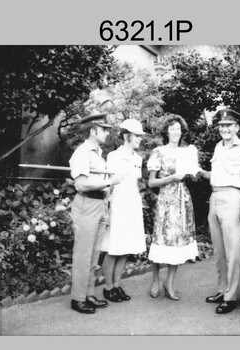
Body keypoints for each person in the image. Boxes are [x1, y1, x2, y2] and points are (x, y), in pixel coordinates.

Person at [198, 108, 240, 314]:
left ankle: (230, 297)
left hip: (233, 199)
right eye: (222, 126)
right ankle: (222, 289)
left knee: (233, 250)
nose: (225, 129)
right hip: (215, 197)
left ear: (237, 127)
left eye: (229, 125)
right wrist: (199, 172)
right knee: (219, 250)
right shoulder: (218, 147)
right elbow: (216, 176)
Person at [69, 113, 126, 314]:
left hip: (99, 204)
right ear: (93, 131)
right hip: (87, 204)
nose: (107, 133)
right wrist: (111, 181)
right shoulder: (83, 153)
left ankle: (89, 294)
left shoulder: (97, 153)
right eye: (104, 129)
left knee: (94, 255)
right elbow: (82, 184)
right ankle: (78, 298)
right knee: (83, 254)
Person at [147, 114, 199, 301]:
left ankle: (169, 282)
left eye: (178, 128)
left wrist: (194, 170)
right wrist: (171, 177)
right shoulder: (158, 152)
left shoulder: (187, 152)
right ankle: (155, 279)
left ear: (181, 131)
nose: (176, 131)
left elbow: (194, 178)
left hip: (182, 199)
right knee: (161, 239)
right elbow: (152, 183)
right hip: (166, 200)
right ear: (166, 131)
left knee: (177, 241)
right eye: (172, 128)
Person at [101, 119, 147, 302]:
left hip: (132, 206)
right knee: (113, 248)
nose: (140, 139)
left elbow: (137, 185)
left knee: (125, 248)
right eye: (138, 136)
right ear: (128, 136)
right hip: (118, 205)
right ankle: (108, 287)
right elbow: (108, 185)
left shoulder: (138, 158)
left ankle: (117, 285)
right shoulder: (113, 156)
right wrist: (106, 209)